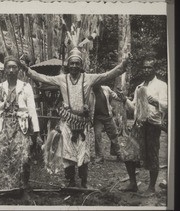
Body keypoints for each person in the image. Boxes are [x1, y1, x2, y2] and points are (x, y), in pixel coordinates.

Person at [24, 47, 129, 188]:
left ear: (81, 65)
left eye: (77, 63)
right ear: (68, 64)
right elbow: (43, 78)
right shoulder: (62, 79)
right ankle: (70, 181)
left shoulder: (89, 78)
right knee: (68, 153)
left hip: (83, 122)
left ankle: (84, 182)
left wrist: (123, 65)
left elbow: (107, 75)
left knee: (83, 153)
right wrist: (27, 70)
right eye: (71, 63)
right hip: (67, 122)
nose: (74, 66)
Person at [0, 56, 41, 195]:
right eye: (8, 67)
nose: (11, 70)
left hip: (21, 126)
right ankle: (5, 188)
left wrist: (36, 131)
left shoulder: (25, 87)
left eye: (14, 67)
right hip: (3, 126)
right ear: (4, 70)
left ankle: (21, 187)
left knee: (23, 156)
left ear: (18, 70)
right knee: (1, 154)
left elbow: (32, 110)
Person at [118, 57, 167, 196]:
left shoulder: (161, 85)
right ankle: (133, 183)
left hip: (152, 125)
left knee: (152, 155)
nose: (146, 70)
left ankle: (151, 188)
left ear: (154, 69)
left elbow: (168, 105)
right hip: (138, 125)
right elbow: (133, 108)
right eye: (144, 67)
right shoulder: (139, 87)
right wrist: (124, 99)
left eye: (149, 67)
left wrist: (156, 102)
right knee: (128, 153)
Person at [92, 85, 123, 164]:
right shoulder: (89, 91)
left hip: (107, 116)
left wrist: (118, 95)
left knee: (114, 135)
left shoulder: (106, 89)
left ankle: (119, 154)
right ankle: (99, 157)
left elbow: (114, 95)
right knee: (98, 136)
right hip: (97, 118)